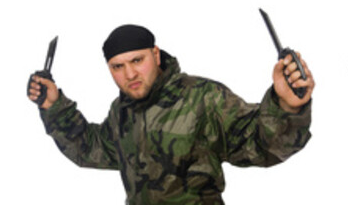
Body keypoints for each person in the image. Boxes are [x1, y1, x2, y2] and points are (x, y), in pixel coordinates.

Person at [27, 24, 316, 204]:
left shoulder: (202, 97)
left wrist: (287, 107)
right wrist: (54, 107)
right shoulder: (122, 112)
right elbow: (92, 149)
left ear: (155, 54)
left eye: (137, 60)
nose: (129, 74)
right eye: (118, 66)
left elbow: (261, 146)